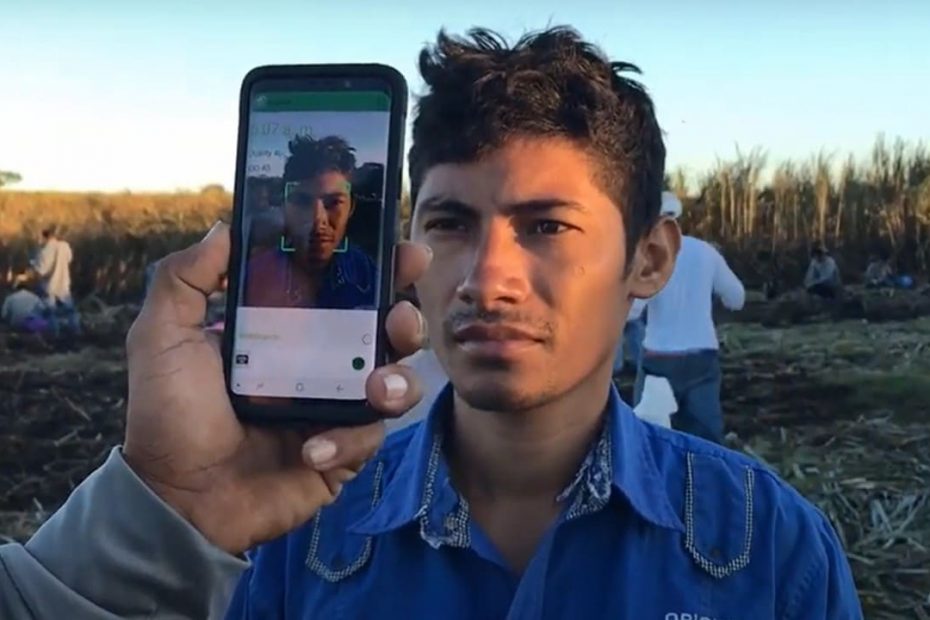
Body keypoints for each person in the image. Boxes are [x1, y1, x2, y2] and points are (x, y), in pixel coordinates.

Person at [0, 26, 862, 620]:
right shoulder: (292, 540)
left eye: (547, 227)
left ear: (650, 258)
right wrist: (165, 511)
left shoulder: (766, 550)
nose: (487, 278)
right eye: (450, 224)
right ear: (409, 242)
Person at [631, 191, 745, 443]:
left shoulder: (650, 257)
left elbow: (632, 312)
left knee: (649, 434)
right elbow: (737, 298)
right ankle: (704, 479)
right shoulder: (706, 252)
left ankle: (658, 479)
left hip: (660, 359)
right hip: (702, 356)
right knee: (705, 436)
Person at [244, 134, 378, 309]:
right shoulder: (253, 275)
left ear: (351, 207)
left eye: (333, 203)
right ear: (283, 205)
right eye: (302, 201)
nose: (317, 219)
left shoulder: (370, 275)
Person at [30, 226, 82, 336]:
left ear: (44, 236)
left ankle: (54, 335)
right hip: (64, 285)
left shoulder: (46, 249)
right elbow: (69, 260)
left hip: (50, 286)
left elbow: (41, 270)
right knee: (70, 311)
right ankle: (76, 333)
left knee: (50, 314)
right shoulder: (65, 246)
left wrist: (33, 267)